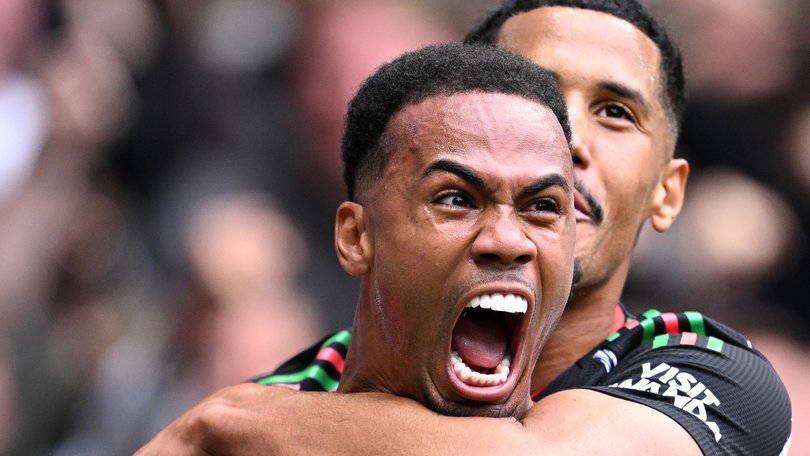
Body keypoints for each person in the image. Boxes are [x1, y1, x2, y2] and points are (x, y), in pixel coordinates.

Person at [138, 0, 792, 454]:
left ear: (669, 192)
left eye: (615, 111)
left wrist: (227, 431)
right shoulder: (283, 398)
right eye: (532, 91)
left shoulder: (714, 375)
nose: (564, 139)